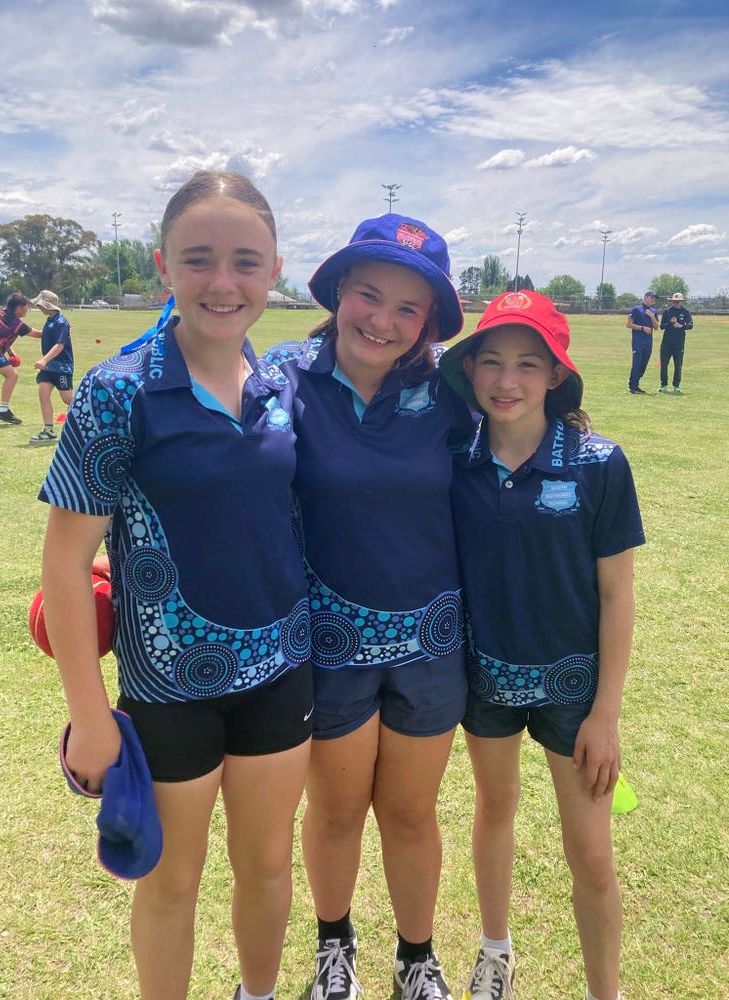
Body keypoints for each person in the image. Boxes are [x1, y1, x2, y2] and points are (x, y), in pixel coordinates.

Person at [37, 170, 313, 1000]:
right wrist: (90, 717)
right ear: (163, 265)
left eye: (244, 262)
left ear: (273, 271)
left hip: (282, 672)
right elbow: (61, 565)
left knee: (266, 865)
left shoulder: (284, 384)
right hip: (167, 694)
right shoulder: (117, 393)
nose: (222, 283)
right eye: (199, 259)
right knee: (170, 881)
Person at [266, 214, 472, 1000]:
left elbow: (520, 447)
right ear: (338, 292)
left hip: (432, 646)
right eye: (368, 295)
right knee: (338, 811)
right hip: (328, 647)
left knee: (412, 814)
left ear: (428, 323)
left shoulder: (451, 387)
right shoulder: (281, 375)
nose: (382, 321)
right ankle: (335, 947)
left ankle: (417, 957)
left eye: (407, 309)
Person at [440, 291, 645, 1000]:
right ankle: (495, 952)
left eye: (529, 364)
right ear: (469, 370)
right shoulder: (455, 460)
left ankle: (604, 991)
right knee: (494, 810)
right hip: (486, 684)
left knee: (590, 853)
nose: (507, 380)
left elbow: (617, 595)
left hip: (575, 696)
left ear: (557, 374)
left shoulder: (599, 463)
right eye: (491, 361)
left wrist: (607, 714)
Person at [0, 291, 42, 424]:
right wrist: (57, 330)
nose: (28, 309)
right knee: (12, 375)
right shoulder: (14, 322)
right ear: (19, 308)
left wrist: (10, 352)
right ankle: (3, 410)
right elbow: (37, 334)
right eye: (26, 306)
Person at [28, 290, 75, 443]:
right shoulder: (50, 320)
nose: (39, 307)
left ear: (47, 305)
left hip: (61, 367)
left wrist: (44, 360)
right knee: (43, 394)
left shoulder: (61, 321)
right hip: (49, 368)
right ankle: (49, 431)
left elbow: (60, 345)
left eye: (40, 304)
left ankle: (89, 420)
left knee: (68, 399)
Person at [658, 292, 693, 394]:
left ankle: (676, 385)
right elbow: (662, 326)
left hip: (679, 343)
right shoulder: (667, 312)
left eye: (678, 301)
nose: (676, 303)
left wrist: (681, 326)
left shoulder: (685, 312)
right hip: (666, 343)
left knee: (678, 365)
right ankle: (663, 385)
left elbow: (690, 325)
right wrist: (671, 323)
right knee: (664, 364)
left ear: (681, 302)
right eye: (674, 301)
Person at [625, 290, 658, 394]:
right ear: (645, 297)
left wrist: (652, 316)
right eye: (651, 297)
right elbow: (629, 324)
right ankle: (632, 386)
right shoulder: (636, 309)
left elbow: (657, 327)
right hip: (638, 341)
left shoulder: (654, 311)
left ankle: (637, 383)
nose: (653, 300)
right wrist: (642, 328)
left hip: (648, 342)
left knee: (643, 365)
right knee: (637, 363)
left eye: (654, 298)